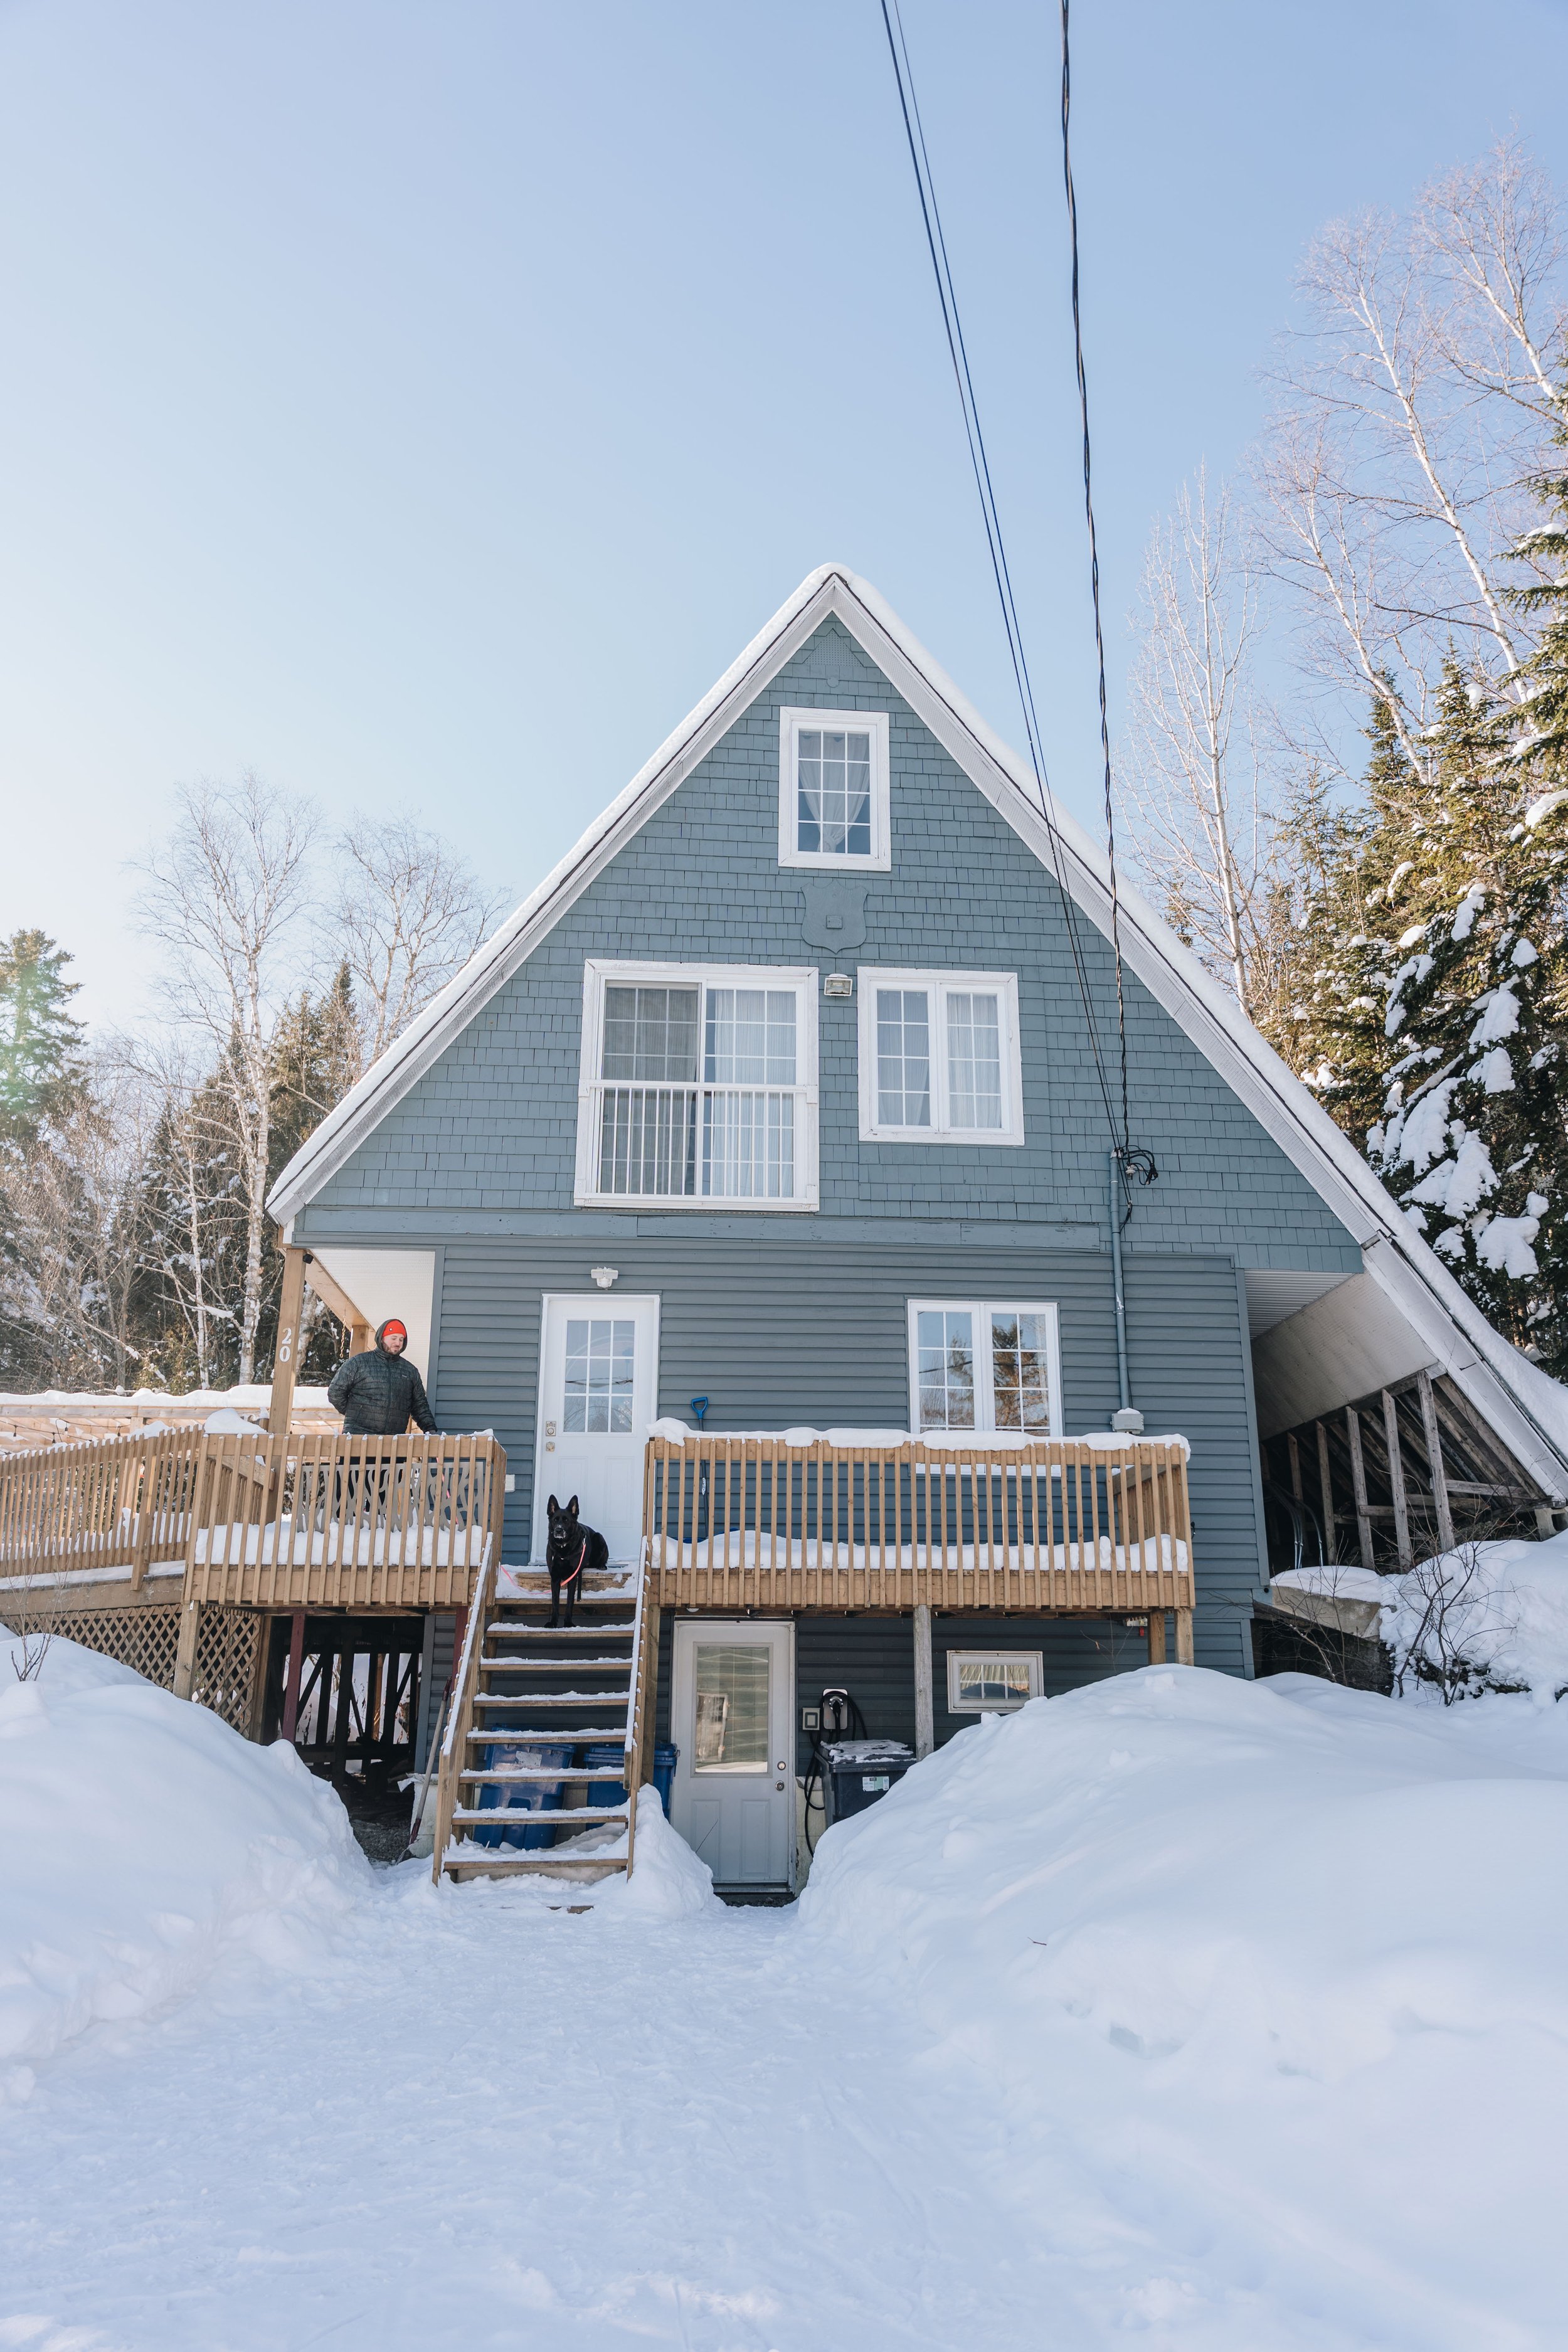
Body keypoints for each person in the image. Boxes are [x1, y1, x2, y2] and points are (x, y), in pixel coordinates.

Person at [327, 1318, 438, 1436]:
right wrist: (355, 1412)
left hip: (393, 1442)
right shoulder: (358, 1363)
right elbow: (335, 1392)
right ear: (382, 1338)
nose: (398, 1343)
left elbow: (419, 1405)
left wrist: (430, 1429)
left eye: (401, 1339)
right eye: (394, 1338)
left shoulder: (410, 1371)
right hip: (358, 1438)